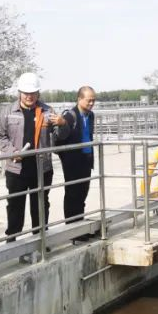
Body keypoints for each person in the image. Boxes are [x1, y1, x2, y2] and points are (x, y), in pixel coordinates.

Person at [0, 72, 67, 260]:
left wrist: (62, 123)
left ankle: (41, 239)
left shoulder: (47, 111)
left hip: (41, 168)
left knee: (40, 204)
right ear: (19, 92)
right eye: (26, 92)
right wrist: (12, 152)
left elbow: (61, 136)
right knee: (15, 205)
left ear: (38, 93)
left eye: (33, 92)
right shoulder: (8, 111)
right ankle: (12, 243)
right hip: (16, 168)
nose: (29, 96)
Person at [56, 86, 98, 242]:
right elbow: (60, 137)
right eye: (89, 100)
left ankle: (79, 226)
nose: (92, 103)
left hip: (86, 159)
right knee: (72, 194)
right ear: (80, 99)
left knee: (82, 193)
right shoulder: (70, 115)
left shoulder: (91, 115)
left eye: (93, 100)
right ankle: (72, 229)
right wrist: (62, 124)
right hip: (72, 161)